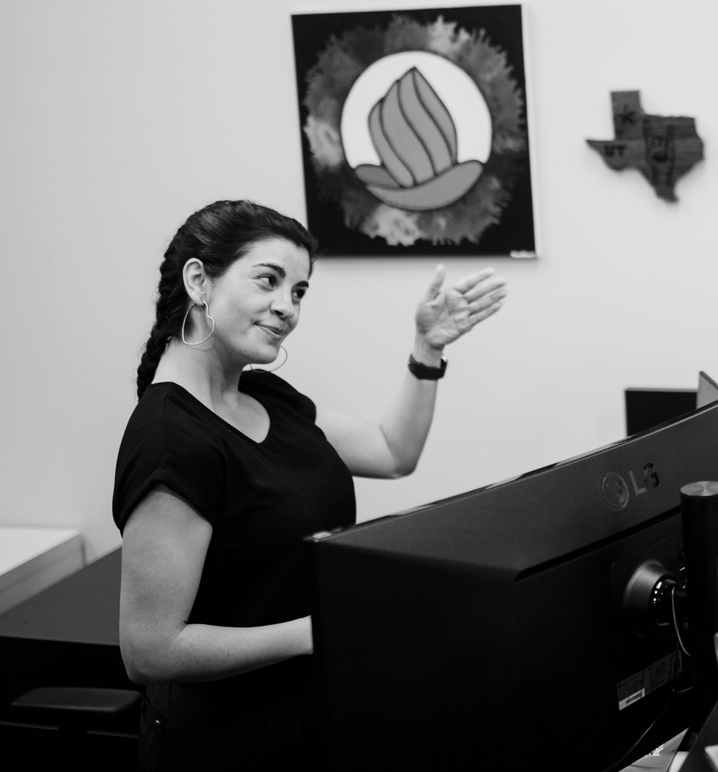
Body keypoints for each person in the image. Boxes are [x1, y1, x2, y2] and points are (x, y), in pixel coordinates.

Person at [112, 200, 506, 770]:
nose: (287, 307)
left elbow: (392, 452)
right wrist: (319, 629)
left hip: (314, 709)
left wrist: (428, 350)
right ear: (199, 281)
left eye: (298, 292)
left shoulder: (265, 396)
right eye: (268, 280)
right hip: (228, 745)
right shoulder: (172, 439)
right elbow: (149, 651)